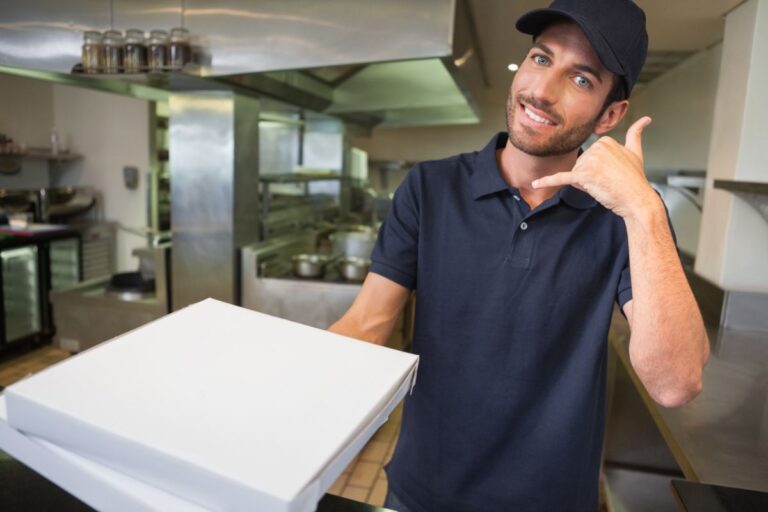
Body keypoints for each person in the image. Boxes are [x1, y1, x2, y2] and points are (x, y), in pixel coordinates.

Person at [329, 0, 710, 510]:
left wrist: (643, 207)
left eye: (581, 80)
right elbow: (367, 325)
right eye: (540, 58)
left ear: (611, 115)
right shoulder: (430, 187)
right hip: (424, 491)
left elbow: (676, 383)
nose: (541, 91)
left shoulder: (622, 215)